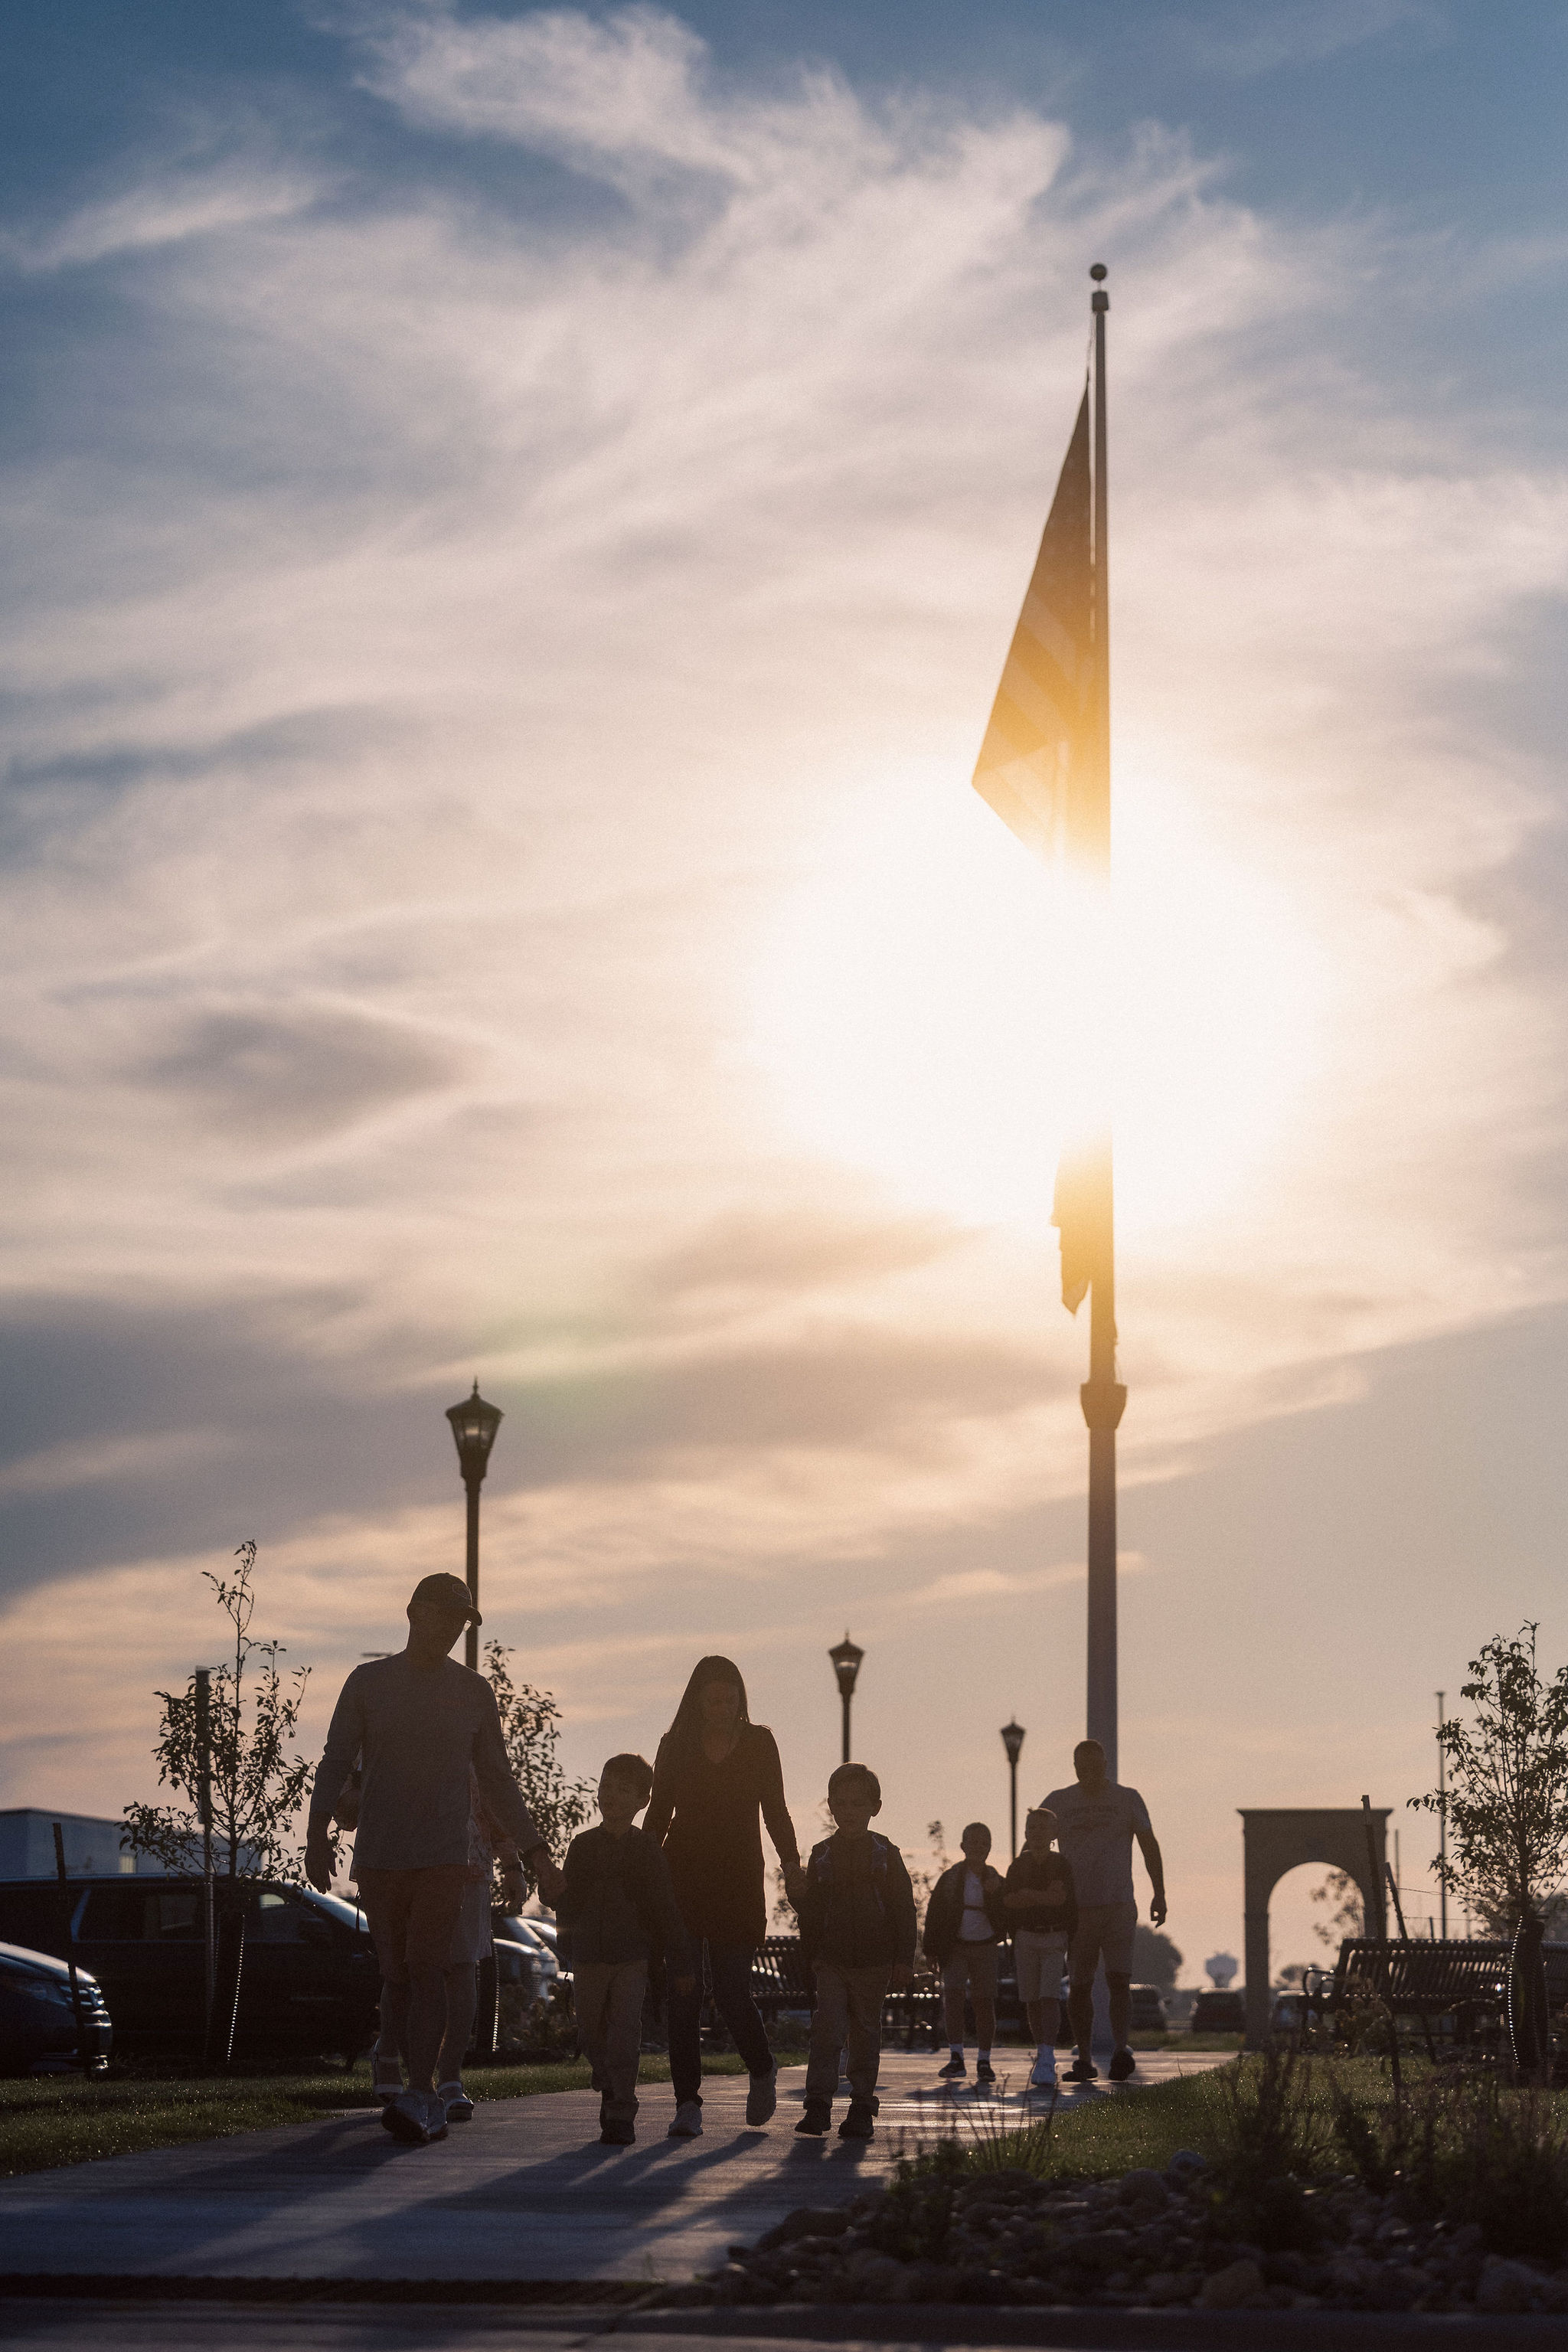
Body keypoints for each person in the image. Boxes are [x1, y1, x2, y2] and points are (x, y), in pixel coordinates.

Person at [305, 1571, 562, 2145]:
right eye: (442, 1616)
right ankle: (394, 2064)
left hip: (446, 1854)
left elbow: (498, 1779)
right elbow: (335, 1757)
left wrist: (535, 1850)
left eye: (460, 1622)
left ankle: (424, 2092)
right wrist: (317, 1831)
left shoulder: (472, 1691)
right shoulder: (369, 1683)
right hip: (381, 1854)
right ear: (413, 1612)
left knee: (428, 1971)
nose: (449, 1630)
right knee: (395, 1975)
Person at [644, 1655, 805, 2138]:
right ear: (696, 1699)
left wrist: (792, 1863)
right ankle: (687, 2102)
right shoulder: (674, 1746)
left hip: (737, 1879)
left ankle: (761, 2067)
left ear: (740, 1699)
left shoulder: (759, 1742)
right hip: (684, 1878)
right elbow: (657, 1816)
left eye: (730, 1697)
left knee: (733, 1989)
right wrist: (641, 1868)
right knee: (684, 1993)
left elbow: (775, 1807)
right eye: (713, 1698)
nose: (722, 1706)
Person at [557, 1753, 695, 2145]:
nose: (611, 1796)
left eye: (622, 1789)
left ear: (642, 1800)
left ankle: (621, 2111)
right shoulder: (582, 1847)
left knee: (625, 2033)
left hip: (633, 1956)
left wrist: (680, 1962)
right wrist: (563, 1943)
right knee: (589, 2031)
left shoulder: (647, 1850)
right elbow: (567, 1903)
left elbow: (665, 1909)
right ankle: (606, 2078)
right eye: (606, 1787)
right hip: (587, 1955)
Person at [793, 1762, 915, 2141]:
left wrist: (903, 1958)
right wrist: (809, 1951)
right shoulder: (822, 1854)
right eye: (841, 1803)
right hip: (831, 1958)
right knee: (827, 2030)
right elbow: (812, 1912)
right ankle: (818, 2103)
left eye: (858, 1804)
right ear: (831, 1806)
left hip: (875, 1958)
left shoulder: (885, 1853)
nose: (849, 1811)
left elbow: (902, 1907)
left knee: (864, 2031)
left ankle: (862, 2104)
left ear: (874, 1807)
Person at [1043, 1737, 1167, 2084]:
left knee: (1119, 1980)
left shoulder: (1127, 1798)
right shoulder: (1060, 1801)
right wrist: (1042, 1894)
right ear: (1074, 1768)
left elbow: (1148, 1845)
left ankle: (1119, 2050)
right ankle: (1083, 2056)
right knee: (1079, 1985)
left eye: (1094, 1767)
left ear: (1105, 1766)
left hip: (1117, 1905)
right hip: (1077, 1910)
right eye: (1082, 1767)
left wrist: (1159, 1893)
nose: (1088, 1774)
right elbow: (1035, 1841)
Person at [921, 1822, 1007, 2082]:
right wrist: (931, 1949)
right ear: (963, 1846)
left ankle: (984, 2060)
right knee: (954, 2000)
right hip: (955, 1946)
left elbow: (1007, 1915)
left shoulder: (996, 1879)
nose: (979, 1847)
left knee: (984, 2001)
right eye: (974, 1842)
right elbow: (934, 1914)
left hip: (985, 1946)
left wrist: (996, 1894)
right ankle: (956, 2057)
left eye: (984, 1843)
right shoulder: (950, 1878)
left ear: (990, 1848)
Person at [1002, 1805, 1078, 2092]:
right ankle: (1040, 2050)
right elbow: (1009, 1901)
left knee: (1049, 1996)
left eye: (1042, 1827)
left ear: (1054, 1833)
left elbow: (1060, 1900)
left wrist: (1029, 1896)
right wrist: (1040, 1897)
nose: (1036, 1832)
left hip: (1054, 1936)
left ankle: (1048, 2054)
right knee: (1032, 1999)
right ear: (1025, 1832)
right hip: (1025, 1937)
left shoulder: (1061, 1865)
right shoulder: (1017, 1866)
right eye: (1032, 1827)